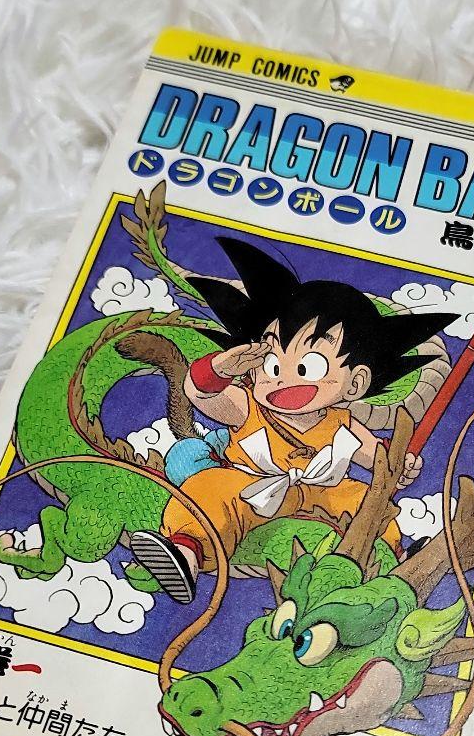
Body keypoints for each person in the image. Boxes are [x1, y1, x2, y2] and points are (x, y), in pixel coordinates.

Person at [130, 237, 455, 602]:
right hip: (249, 486)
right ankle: (185, 554)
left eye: (308, 366)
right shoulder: (247, 406)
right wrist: (219, 368)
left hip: (321, 495)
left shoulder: (343, 424)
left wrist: (400, 468)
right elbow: (200, 393)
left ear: (355, 383)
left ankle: (394, 562)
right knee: (210, 488)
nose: (283, 379)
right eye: (272, 365)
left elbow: (379, 462)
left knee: (366, 500)